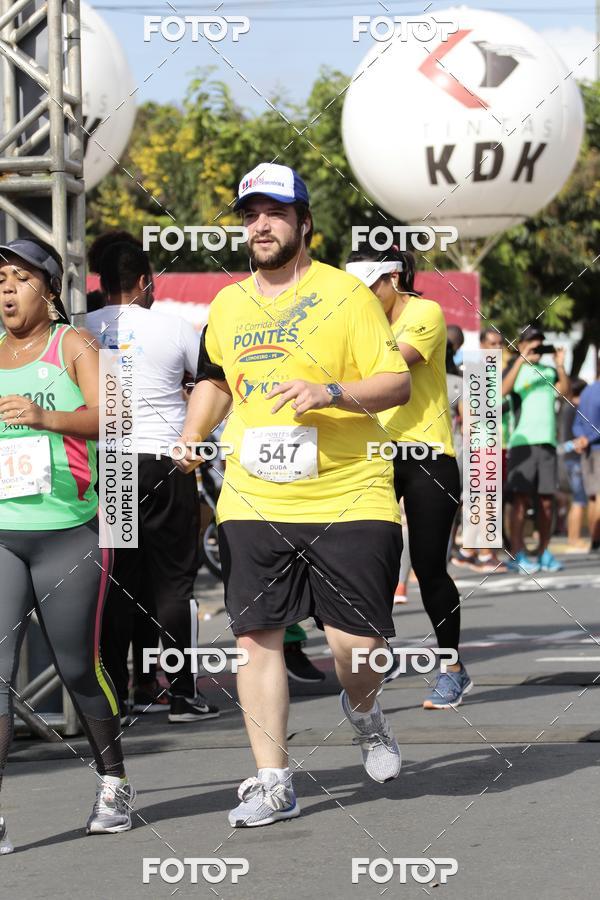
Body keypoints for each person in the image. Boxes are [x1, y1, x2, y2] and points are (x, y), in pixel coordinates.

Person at [179, 162, 411, 827]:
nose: (260, 225)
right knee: (257, 639)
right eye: (250, 213)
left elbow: (393, 384)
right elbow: (216, 379)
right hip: (255, 497)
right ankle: (273, 780)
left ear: (305, 223)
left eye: (275, 212)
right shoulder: (227, 305)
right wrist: (195, 432)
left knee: (356, 651)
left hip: (349, 491)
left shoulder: (347, 296)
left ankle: (365, 711)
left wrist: (328, 392)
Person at [0, 237, 135, 852]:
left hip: (69, 533)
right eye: (1, 278)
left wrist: (45, 416)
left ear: (48, 288)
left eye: (20, 277)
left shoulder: (75, 345)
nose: (6, 288)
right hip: (3, 536)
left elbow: (117, 416)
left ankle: (113, 782)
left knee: (78, 666)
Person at [86, 241, 219, 723]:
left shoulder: (80, 329)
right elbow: (212, 384)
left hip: (112, 465)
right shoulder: (175, 326)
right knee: (173, 585)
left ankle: (120, 695)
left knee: (120, 583)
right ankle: (182, 694)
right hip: (168, 461)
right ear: (144, 281)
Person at [346, 245, 472, 709]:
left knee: (428, 566)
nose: (360, 298)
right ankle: (380, 653)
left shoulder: (426, 312)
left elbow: (392, 365)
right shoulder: (359, 317)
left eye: (368, 288)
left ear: (393, 278)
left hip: (427, 453)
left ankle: (452, 667)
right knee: (369, 558)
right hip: (374, 456)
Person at [502, 325, 570, 574]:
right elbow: (502, 391)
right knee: (519, 500)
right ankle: (518, 553)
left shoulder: (550, 371)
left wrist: (560, 364)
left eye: (540, 342)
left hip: (547, 443)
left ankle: (543, 552)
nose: (536, 347)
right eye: (531, 342)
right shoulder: (514, 370)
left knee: (546, 502)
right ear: (520, 345)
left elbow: (565, 394)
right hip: (522, 443)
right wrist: (521, 359)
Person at [453, 326, 507, 573]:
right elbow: (471, 413)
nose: (497, 348)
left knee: (482, 499)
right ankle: (484, 554)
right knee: (485, 499)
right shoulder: (478, 371)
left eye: (500, 344)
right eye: (492, 343)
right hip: (480, 443)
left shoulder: (491, 372)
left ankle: (467, 552)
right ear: (483, 345)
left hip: (488, 443)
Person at [557, 378, 589, 552]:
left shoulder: (565, 408)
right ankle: (574, 539)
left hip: (564, 456)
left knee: (574, 500)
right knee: (579, 500)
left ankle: (572, 537)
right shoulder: (577, 409)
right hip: (575, 459)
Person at [572, 374, 600, 551]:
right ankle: (597, 540)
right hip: (596, 447)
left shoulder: (587, 391)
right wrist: (589, 439)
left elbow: (577, 423)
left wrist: (582, 438)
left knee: (592, 497)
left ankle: (594, 540)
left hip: (587, 451)